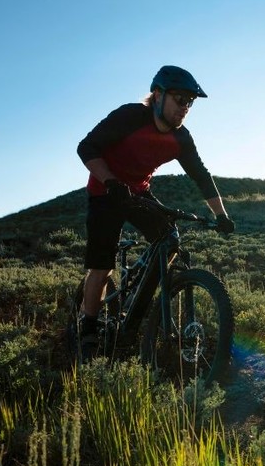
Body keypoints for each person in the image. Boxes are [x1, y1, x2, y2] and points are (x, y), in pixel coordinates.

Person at [75, 65, 235, 361]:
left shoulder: (181, 138)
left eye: (190, 102)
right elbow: (86, 148)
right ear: (158, 95)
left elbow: (200, 175)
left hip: (137, 193)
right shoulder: (130, 117)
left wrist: (221, 214)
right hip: (104, 192)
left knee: (169, 238)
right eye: (179, 99)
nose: (185, 107)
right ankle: (88, 327)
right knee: (101, 268)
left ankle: (138, 307)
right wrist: (110, 181)